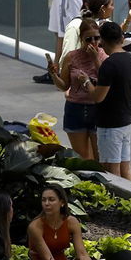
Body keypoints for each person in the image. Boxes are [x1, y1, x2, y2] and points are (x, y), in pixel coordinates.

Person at [81, 21, 131, 180]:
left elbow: (98, 96)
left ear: (103, 41)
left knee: (111, 171)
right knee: (125, 167)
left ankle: (117, 202)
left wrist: (86, 82)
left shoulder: (110, 64)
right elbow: (113, 78)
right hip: (126, 121)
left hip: (110, 125)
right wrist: (96, 61)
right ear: (121, 38)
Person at [47, 18, 105, 160]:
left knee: (100, 158)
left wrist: (96, 59)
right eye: (88, 39)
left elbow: (106, 80)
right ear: (81, 39)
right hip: (75, 109)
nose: (93, 43)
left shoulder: (104, 56)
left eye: (96, 38)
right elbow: (64, 86)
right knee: (83, 159)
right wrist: (53, 75)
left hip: (97, 110)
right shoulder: (72, 57)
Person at [59, 0, 131, 58]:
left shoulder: (80, 23)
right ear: (103, 8)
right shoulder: (101, 27)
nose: (113, 8)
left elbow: (117, 36)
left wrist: (128, 20)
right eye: (111, 5)